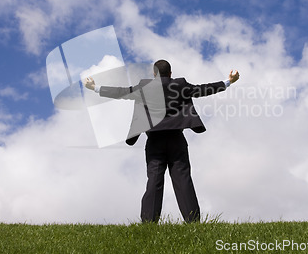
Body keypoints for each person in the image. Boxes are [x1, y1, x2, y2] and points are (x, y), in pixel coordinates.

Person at [84, 60, 239, 223]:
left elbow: (122, 92)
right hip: (176, 140)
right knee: (183, 179)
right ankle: (193, 222)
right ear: (170, 74)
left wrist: (95, 87)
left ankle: (149, 223)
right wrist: (228, 81)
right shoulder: (180, 85)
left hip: (155, 141)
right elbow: (202, 90)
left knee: (154, 181)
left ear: (154, 74)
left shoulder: (144, 87)